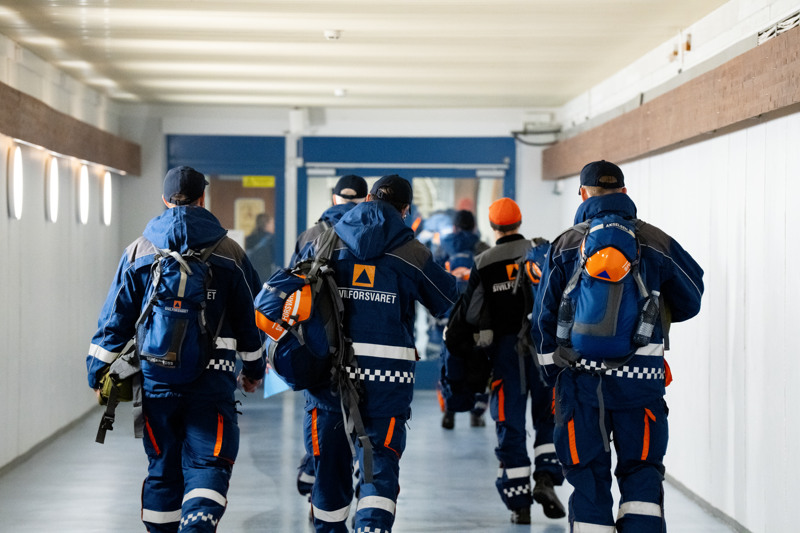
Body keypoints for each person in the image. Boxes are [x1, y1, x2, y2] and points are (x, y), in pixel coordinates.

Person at [86, 166, 266, 533]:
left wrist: (96, 371)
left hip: (155, 380)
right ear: (203, 199)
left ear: (165, 200)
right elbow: (251, 321)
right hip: (212, 383)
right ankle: (196, 527)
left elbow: (114, 319)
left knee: (163, 467)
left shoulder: (139, 250)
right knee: (208, 463)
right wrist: (254, 370)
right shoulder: (230, 252)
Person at [531, 160, 704, 532]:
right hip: (640, 381)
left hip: (579, 383)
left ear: (583, 193)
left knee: (588, 474)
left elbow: (542, 318)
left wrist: (553, 374)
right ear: (624, 192)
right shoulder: (657, 241)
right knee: (642, 471)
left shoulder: (565, 244)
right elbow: (693, 297)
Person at [300, 174, 459, 533]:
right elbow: (446, 298)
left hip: (328, 378)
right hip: (387, 384)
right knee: (380, 468)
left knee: (329, 470)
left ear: (368, 199)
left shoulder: (324, 239)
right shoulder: (412, 252)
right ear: (405, 211)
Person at [457, 197, 565, 524]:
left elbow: (473, 313)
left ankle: (519, 504)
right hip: (544, 350)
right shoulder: (540, 251)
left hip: (506, 354)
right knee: (549, 418)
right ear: (519, 221)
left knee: (510, 423)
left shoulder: (483, 262)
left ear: (492, 227)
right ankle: (546, 478)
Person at [291, 174, 368, 502]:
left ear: (334, 198)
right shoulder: (372, 234)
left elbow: (291, 293)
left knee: (323, 416)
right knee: (364, 421)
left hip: (319, 346)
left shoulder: (310, 236)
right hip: (364, 349)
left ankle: (315, 470)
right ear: (366, 201)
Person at [434, 209, 490, 429]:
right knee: (479, 366)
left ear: (455, 227)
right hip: (475, 319)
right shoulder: (482, 248)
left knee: (448, 365)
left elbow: (433, 279)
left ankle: (449, 412)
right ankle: (477, 414)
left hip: (448, 319)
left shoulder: (442, 247)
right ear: (474, 227)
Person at [290, 174, 368, 266]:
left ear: (334, 199)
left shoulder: (310, 235)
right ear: (367, 199)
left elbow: (293, 274)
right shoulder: (377, 233)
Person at [246, 212, 276, 282]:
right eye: (272, 223)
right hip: (266, 277)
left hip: (252, 277)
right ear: (266, 224)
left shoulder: (250, 239)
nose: (274, 226)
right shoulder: (271, 240)